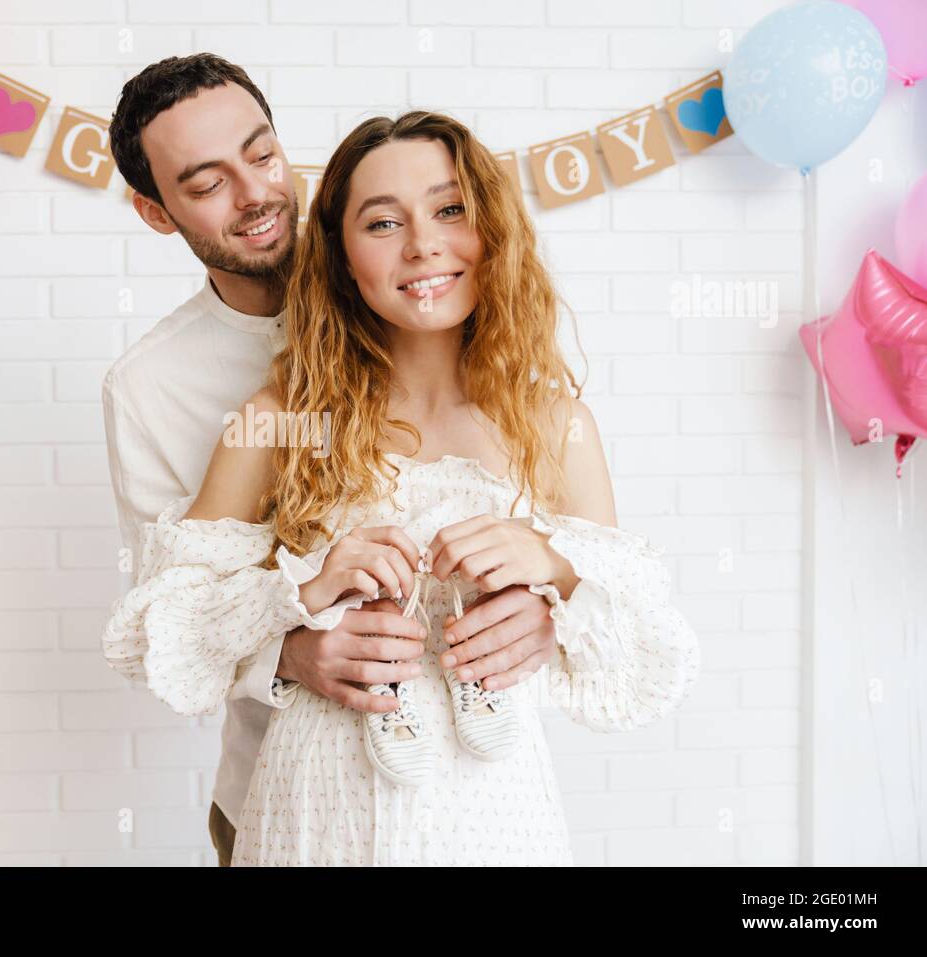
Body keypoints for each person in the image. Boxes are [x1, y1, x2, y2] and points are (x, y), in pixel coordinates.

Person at [103, 111, 701, 865]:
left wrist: (551, 568)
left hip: (495, 818)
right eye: (383, 223)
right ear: (342, 256)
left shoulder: (552, 424)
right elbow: (159, 626)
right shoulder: (280, 419)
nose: (423, 244)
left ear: (493, 231)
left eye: (451, 210)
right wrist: (302, 598)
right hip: (318, 811)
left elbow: (646, 648)